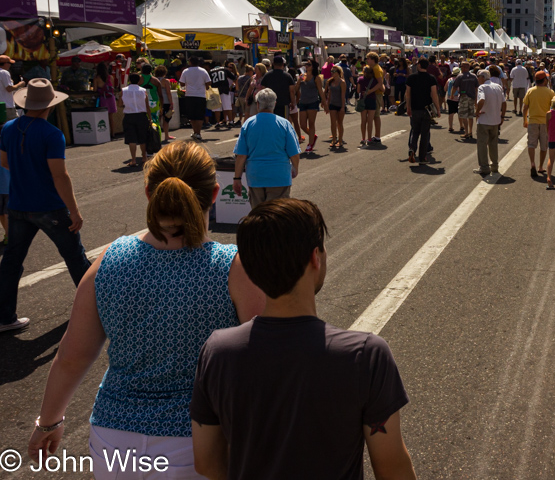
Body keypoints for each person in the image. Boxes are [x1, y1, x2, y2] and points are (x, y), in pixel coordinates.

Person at [27, 142, 264, 478]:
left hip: (113, 437)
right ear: (213, 194)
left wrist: (49, 420)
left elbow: (72, 356)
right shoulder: (233, 267)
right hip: (199, 440)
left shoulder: (108, 259)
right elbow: (266, 359)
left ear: (149, 193)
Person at [190, 199, 416, 480]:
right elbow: (392, 467)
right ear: (315, 258)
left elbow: (206, 462)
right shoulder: (365, 356)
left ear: (249, 266)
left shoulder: (218, 351)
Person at [0, 80, 90, 333]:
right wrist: (74, 209)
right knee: (75, 258)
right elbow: (59, 175)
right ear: (49, 105)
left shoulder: (8, 128)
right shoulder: (52, 133)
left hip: (18, 205)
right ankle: (95, 311)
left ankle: (5, 316)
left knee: (12, 261)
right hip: (49, 206)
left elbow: (4, 162)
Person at [233, 89, 301, 209]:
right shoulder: (284, 124)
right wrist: (295, 168)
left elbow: (241, 155)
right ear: (274, 104)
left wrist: (237, 178)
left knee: (259, 215)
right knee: (277, 215)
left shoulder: (248, 124)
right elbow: (294, 154)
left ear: (257, 104)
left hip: (256, 177)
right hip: (279, 177)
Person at [406, 57, 439, 164]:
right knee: (425, 133)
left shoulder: (411, 77)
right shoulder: (431, 78)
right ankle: (423, 157)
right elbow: (434, 95)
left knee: (415, 131)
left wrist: (408, 107)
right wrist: (438, 109)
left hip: (415, 108)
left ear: (419, 65)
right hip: (427, 109)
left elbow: (408, 94)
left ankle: (412, 149)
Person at [522, 71, 555, 178]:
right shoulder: (550, 92)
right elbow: (554, 108)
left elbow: (525, 108)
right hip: (545, 122)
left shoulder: (530, 91)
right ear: (545, 80)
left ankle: (532, 163)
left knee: (531, 144)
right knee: (544, 146)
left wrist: (524, 120)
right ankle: (541, 166)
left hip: (532, 121)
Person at [474, 67, 506, 176]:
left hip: (484, 120)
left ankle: (484, 167)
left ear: (482, 77)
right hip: (495, 119)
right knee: (493, 144)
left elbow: (481, 100)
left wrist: (477, 111)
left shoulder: (482, 87)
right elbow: (504, 102)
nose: (478, 79)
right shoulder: (497, 87)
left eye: (478, 77)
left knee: (482, 144)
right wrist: (502, 116)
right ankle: (495, 166)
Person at [121, 73, 151, 167]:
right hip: (141, 116)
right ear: (139, 81)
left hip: (129, 116)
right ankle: (144, 157)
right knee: (142, 138)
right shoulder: (143, 91)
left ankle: (133, 159)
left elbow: (120, 104)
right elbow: (147, 105)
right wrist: (150, 118)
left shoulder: (123, 90)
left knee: (131, 138)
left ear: (129, 80)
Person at [297, 60, 327, 153]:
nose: (306, 66)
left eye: (309, 65)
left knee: (311, 123)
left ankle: (310, 144)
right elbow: (296, 88)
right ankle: (312, 135)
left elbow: (320, 91)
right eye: (306, 64)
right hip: (303, 102)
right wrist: (298, 81)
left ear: (313, 67)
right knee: (302, 125)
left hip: (313, 102)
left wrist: (325, 103)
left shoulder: (316, 78)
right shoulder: (302, 76)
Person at [179, 56, 212, 141]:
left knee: (192, 115)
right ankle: (198, 132)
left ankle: (195, 132)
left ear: (190, 62)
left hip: (189, 95)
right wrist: (205, 87)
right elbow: (208, 82)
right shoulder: (203, 71)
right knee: (200, 115)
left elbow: (182, 83)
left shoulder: (186, 71)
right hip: (201, 95)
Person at [92, 61, 118, 139]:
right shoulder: (110, 77)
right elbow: (112, 87)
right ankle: (112, 133)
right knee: (111, 117)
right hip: (111, 98)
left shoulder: (96, 78)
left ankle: (105, 133)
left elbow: (95, 90)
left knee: (103, 117)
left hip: (103, 98)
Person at [455, 61, 480, 140]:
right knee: (470, 115)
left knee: (463, 115)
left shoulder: (460, 76)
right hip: (472, 97)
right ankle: (470, 132)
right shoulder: (473, 76)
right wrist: (476, 98)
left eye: (461, 66)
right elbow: (477, 88)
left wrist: (452, 95)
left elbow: (455, 86)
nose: (461, 68)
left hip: (464, 97)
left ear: (464, 67)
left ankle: (466, 132)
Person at [357, 64, 380, 147]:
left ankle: (363, 138)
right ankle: (369, 138)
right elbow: (379, 87)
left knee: (363, 121)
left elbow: (358, 90)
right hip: (372, 100)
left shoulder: (360, 79)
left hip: (363, 100)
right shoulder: (374, 80)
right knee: (370, 121)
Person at [325, 65, 347, 149]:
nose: (332, 73)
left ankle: (340, 140)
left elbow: (343, 95)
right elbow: (329, 94)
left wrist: (342, 107)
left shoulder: (342, 82)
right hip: (332, 104)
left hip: (340, 104)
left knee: (339, 123)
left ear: (338, 73)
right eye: (331, 71)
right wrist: (327, 104)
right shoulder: (330, 82)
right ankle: (334, 139)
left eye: (334, 71)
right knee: (333, 123)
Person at [209, 61, 236, 129]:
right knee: (227, 107)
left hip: (215, 90)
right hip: (224, 89)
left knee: (217, 108)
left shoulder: (211, 71)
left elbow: (209, 81)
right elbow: (233, 77)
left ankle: (218, 122)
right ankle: (230, 121)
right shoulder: (225, 69)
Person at [153, 65, 176, 143]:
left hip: (157, 101)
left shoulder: (154, 80)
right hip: (165, 101)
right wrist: (171, 102)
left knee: (157, 119)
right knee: (166, 119)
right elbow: (168, 93)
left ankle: (157, 136)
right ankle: (166, 135)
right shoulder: (166, 81)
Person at [367, 52, 386, 142]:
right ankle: (376, 135)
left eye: (368, 59)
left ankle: (377, 135)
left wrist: (370, 91)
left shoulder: (376, 69)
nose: (367, 60)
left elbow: (380, 83)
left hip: (377, 93)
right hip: (377, 93)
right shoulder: (375, 68)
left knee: (376, 115)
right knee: (375, 115)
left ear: (373, 59)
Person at [0, 55, 22, 125]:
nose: (10, 66)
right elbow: (9, 88)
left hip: (2, 106)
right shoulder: (4, 73)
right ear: (5, 63)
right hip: (7, 107)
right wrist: (20, 84)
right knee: (13, 127)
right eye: (10, 63)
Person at [446, 67, 461, 133]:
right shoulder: (459, 80)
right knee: (459, 113)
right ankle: (461, 125)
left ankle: (450, 126)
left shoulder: (449, 80)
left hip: (449, 98)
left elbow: (445, 88)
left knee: (451, 113)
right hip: (457, 98)